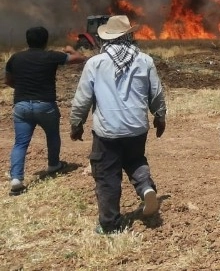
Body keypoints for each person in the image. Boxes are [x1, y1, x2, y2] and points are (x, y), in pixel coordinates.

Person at [69, 15, 167, 234]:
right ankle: (146, 188)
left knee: (107, 175)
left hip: (107, 132)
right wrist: (160, 116)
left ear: (106, 39)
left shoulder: (95, 63)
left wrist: (76, 124)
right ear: (129, 35)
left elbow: (82, 99)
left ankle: (109, 224)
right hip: (137, 128)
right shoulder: (145, 60)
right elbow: (156, 93)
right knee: (135, 160)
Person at [3, 26, 86, 196]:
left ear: (28, 40)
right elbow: (80, 58)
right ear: (45, 41)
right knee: (53, 135)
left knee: (20, 143)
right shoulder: (51, 56)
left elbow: (8, 81)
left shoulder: (15, 58)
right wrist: (70, 49)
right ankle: (53, 164)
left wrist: (23, 88)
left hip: (22, 106)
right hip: (45, 105)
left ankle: (16, 179)